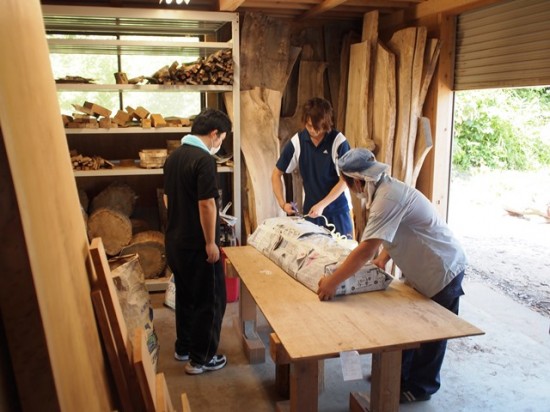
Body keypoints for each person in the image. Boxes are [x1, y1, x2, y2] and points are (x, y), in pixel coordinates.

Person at [316, 148, 467, 404]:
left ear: (356, 180)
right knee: (410, 325)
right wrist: (384, 258)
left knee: (433, 331)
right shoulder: (386, 190)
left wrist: (332, 281)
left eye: (347, 183)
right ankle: (398, 376)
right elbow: (393, 231)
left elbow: (366, 249)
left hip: (442, 268)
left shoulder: (387, 198)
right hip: (425, 267)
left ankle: (420, 387)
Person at [163, 108, 231, 375]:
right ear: (214, 134)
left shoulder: (173, 158)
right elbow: (206, 204)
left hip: (175, 241)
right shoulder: (204, 160)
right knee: (211, 299)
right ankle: (201, 359)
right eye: (222, 138)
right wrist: (210, 243)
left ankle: (184, 347)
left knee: (186, 297)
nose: (220, 144)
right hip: (197, 245)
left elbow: (168, 199)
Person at [271, 97, 353, 238]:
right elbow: (276, 174)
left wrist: (322, 205)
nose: (314, 131)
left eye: (318, 127)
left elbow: (344, 181)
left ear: (326, 123)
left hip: (337, 212)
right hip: (311, 212)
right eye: (309, 126)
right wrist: (282, 204)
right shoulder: (298, 141)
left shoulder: (338, 142)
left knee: (342, 255)